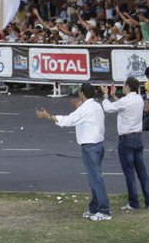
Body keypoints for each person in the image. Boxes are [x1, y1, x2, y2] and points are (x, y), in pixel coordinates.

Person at [36, 82, 111, 221]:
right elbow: (84, 115)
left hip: (90, 147)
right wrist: (79, 107)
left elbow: (68, 121)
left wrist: (49, 116)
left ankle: (104, 211)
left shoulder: (85, 109)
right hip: (98, 145)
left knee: (96, 180)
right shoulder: (96, 105)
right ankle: (94, 209)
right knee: (94, 179)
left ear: (82, 93)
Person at [101, 78, 149, 210]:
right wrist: (114, 96)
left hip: (127, 139)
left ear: (128, 87)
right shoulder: (138, 99)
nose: (123, 87)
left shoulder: (126, 101)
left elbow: (108, 108)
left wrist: (106, 95)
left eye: (124, 85)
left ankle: (133, 202)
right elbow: (122, 105)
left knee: (129, 172)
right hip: (138, 137)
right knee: (141, 171)